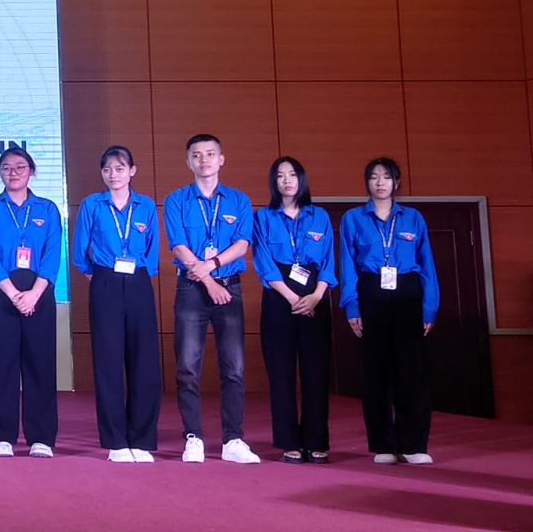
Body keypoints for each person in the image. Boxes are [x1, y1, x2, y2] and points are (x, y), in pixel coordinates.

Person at [163, 133, 260, 465]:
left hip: (229, 287)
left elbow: (242, 244)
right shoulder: (176, 200)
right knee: (187, 367)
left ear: (221, 159)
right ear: (188, 162)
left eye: (210, 154)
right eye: (196, 155)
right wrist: (207, 280)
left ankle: (233, 439)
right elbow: (178, 245)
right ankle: (193, 437)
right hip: (191, 290)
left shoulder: (239, 200)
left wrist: (212, 267)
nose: (203, 160)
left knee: (234, 368)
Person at [338, 157, 439, 465]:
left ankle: (413, 445)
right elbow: (347, 264)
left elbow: (427, 265)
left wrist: (429, 308)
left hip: (408, 293)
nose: (380, 182)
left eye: (386, 177)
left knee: (412, 373)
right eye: (374, 177)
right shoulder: (353, 218)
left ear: (397, 182)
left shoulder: (413, 218)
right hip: (370, 292)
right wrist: (351, 304)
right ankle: (383, 445)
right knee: (375, 372)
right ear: (367, 182)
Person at [70, 145, 161, 462]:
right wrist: (96, 275)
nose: (113, 175)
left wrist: (140, 272)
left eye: (120, 168)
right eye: (107, 169)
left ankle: (142, 439)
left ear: (132, 171)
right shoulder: (92, 204)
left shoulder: (145, 205)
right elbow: (79, 250)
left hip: (138, 281)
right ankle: (116, 442)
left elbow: (152, 250)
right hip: (104, 280)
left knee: (144, 362)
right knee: (108, 362)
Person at [0, 147, 63, 458]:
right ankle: (2, 436)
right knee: (2, 363)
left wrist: (34, 293)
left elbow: (53, 254)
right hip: (1, 291)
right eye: (6, 168)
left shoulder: (47, 208)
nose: (13, 173)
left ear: (31, 171)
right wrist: (13, 294)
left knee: (40, 364)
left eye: (20, 167)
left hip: (38, 291)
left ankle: (41, 437)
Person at [252, 156, 337, 464]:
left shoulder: (319, 216)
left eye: (292, 174)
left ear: (302, 179)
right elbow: (263, 261)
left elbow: (328, 260)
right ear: (273, 182)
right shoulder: (263, 217)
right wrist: (291, 298)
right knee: (281, 373)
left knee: (316, 373)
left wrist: (316, 296)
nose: (287, 180)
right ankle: (289, 441)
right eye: (280, 176)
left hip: (315, 294)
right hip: (279, 296)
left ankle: (316, 440)